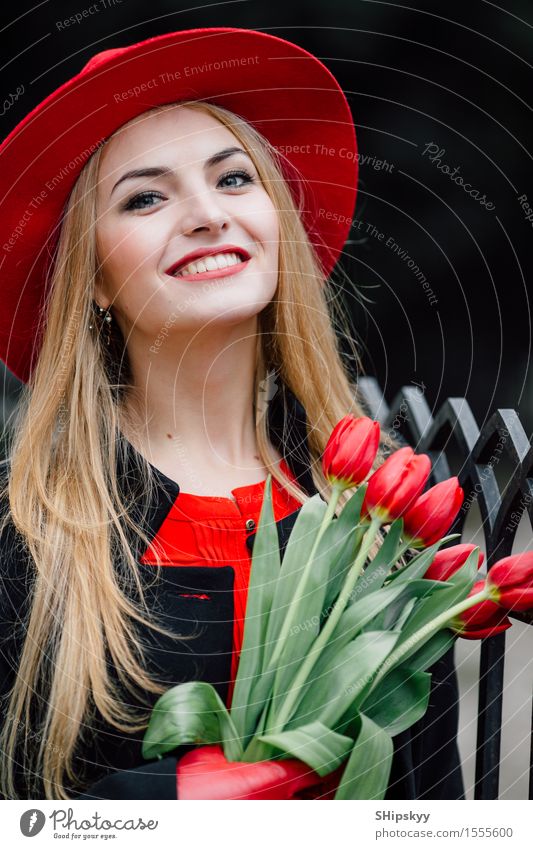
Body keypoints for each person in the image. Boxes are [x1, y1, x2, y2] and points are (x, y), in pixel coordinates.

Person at [0, 27, 464, 801]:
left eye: (234, 179)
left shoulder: (385, 517)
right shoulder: (25, 540)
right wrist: (171, 807)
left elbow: (440, 803)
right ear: (94, 282)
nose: (207, 214)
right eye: (145, 197)